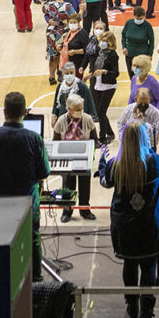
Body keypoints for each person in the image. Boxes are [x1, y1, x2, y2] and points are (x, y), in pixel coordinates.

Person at [97, 121, 159, 318]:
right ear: (144, 139)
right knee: (148, 266)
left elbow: (104, 182)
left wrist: (102, 161)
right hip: (148, 225)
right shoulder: (152, 161)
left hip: (124, 226)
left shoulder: (115, 165)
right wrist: (151, 150)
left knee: (129, 264)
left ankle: (132, 305)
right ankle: (147, 309)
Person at [0, 92, 50, 280]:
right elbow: (44, 172)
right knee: (33, 236)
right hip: (27, 202)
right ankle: (36, 280)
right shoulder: (35, 139)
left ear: (4, 112)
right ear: (25, 112)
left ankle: (1, 277)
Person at [51, 93, 97, 223]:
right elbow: (55, 142)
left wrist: (89, 154)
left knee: (85, 185)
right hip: (67, 159)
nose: (80, 111)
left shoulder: (87, 119)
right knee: (68, 186)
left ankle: (84, 210)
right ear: (69, 109)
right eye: (77, 109)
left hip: (84, 159)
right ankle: (67, 211)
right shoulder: (61, 121)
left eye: (81, 108)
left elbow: (95, 139)